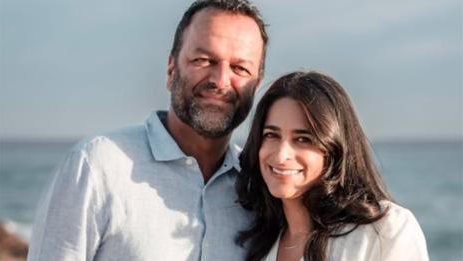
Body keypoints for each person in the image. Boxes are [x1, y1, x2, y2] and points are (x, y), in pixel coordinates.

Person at [27, 0, 268, 260]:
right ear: (171, 69)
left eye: (240, 68)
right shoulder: (98, 166)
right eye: (203, 59)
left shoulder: (260, 188)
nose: (220, 81)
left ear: (256, 87)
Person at [236, 71, 429, 261]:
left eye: (303, 139)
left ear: (335, 149)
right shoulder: (254, 241)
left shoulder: (384, 231)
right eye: (271, 135)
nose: (281, 155)